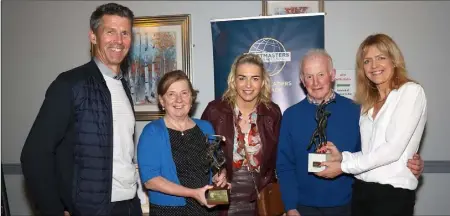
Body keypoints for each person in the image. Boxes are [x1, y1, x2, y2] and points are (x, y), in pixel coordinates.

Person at [20, 3, 140, 216]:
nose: (118, 41)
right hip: (90, 209)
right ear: (93, 36)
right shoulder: (70, 84)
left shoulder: (123, 86)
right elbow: (34, 155)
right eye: (110, 32)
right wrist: (55, 210)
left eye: (125, 33)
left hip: (129, 206)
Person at [276, 49, 424, 216]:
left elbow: (374, 153)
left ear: (332, 75)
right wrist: (290, 207)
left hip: (349, 206)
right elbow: (285, 166)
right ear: (302, 80)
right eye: (309, 76)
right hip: (302, 208)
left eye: (321, 74)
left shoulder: (357, 111)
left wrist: (407, 161)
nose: (315, 82)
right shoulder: (290, 115)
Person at [316, 34, 427, 216]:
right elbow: (370, 153)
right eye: (367, 61)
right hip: (362, 192)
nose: (374, 66)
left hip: (392, 197)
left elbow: (392, 150)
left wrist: (342, 167)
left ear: (394, 60)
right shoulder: (368, 103)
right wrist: (342, 157)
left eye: (381, 58)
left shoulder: (411, 92)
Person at [137, 70, 229, 216]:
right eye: (171, 94)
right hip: (169, 211)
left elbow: (216, 163)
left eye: (184, 93)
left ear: (191, 98)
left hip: (206, 209)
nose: (178, 100)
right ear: (162, 100)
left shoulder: (206, 127)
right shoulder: (152, 132)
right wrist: (193, 193)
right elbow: (150, 180)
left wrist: (220, 175)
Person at [201, 53, 282, 216]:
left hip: (260, 199)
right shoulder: (215, 111)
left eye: (255, 78)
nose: (248, 85)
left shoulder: (272, 113)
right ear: (234, 80)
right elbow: (201, 151)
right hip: (222, 197)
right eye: (242, 78)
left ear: (263, 82)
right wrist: (216, 171)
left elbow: (279, 159)